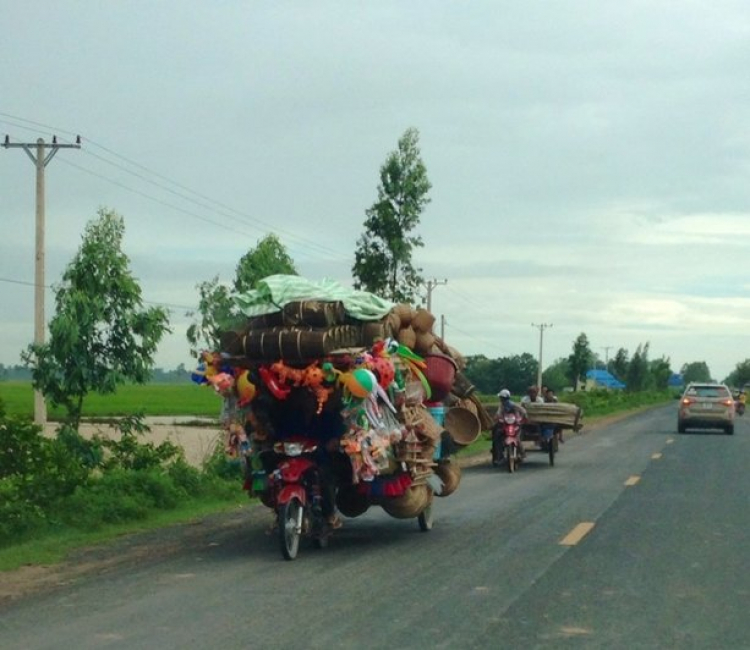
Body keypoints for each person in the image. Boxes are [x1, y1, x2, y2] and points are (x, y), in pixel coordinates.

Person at [492, 389, 528, 465]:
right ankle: (500, 456)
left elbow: (523, 411)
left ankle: (522, 453)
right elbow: (498, 414)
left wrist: (522, 418)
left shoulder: (513, 405)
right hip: (506, 425)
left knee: (517, 438)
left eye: (501, 398)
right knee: (497, 436)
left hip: (515, 424)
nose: (501, 399)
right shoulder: (502, 406)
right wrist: (497, 418)